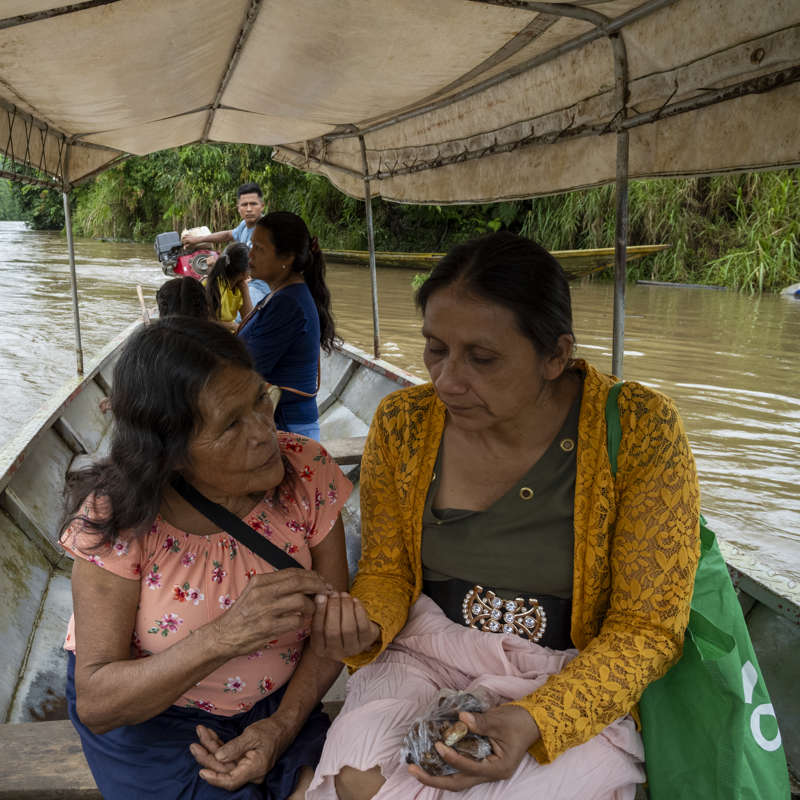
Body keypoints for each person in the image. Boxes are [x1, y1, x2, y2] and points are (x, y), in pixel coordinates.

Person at [306, 232, 701, 799]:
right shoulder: (403, 422)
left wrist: (538, 718)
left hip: (568, 670)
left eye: (482, 359)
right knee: (360, 780)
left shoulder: (640, 428)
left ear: (555, 356)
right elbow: (389, 570)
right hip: (427, 651)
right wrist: (366, 621)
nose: (445, 381)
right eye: (435, 349)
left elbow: (647, 629)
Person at [60, 317, 353, 800]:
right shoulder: (119, 518)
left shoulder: (308, 472)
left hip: (281, 702)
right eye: (230, 424)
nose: (265, 432)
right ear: (171, 453)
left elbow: (329, 632)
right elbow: (98, 700)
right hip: (154, 718)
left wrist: (280, 727)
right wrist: (224, 637)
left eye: (260, 398)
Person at [238, 212, 335, 442]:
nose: (250, 255)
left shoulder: (288, 304)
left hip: (287, 430)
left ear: (287, 258)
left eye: (259, 249)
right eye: (252, 246)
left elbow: (247, 368)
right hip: (280, 423)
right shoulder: (282, 295)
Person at [182, 182, 270, 305]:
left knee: (228, 311)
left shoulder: (267, 230)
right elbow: (228, 235)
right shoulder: (244, 225)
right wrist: (198, 239)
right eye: (244, 205)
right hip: (240, 281)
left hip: (258, 287)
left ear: (262, 206)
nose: (249, 209)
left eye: (253, 204)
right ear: (238, 208)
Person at [205, 242, 253, 332]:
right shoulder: (214, 285)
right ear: (243, 272)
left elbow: (249, 321)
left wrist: (245, 289)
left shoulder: (239, 287)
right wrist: (231, 326)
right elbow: (203, 320)